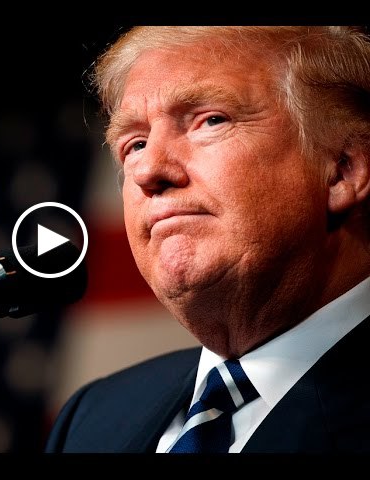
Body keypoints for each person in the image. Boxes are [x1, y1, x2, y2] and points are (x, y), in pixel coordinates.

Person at [45, 26, 370, 453]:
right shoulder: (94, 417)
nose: (148, 171)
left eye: (211, 120)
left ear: (344, 170)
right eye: (135, 144)